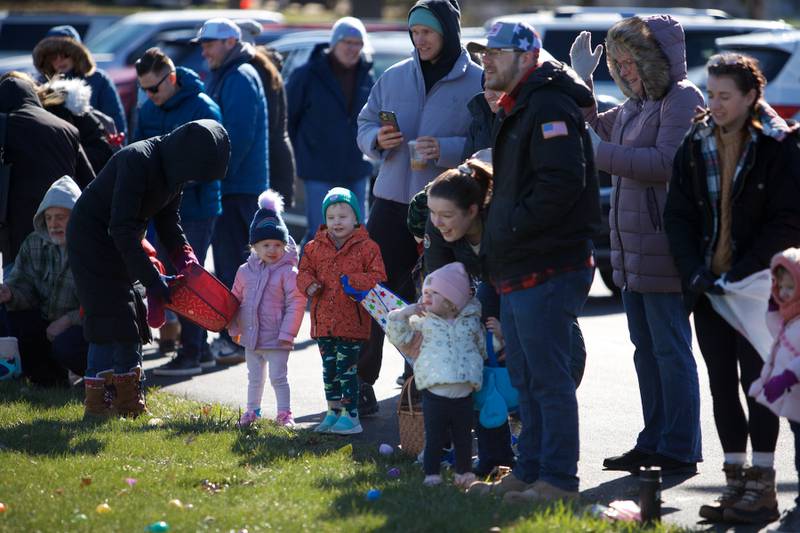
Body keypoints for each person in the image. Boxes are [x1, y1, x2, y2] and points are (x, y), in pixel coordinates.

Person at [465, 20, 600, 503]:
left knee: (547, 378)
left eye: (495, 53)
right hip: (522, 265)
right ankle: (530, 471)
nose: (486, 61)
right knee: (524, 376)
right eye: (483, 53)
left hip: (549, 263)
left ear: (525, 57)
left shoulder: (547, 104)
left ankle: (559, 481)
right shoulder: (524, 104)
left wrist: (511, 228)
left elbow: (561, 185)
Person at [664, 52, 800, 524]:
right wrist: (693, 271)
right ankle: (735, 482)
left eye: (726, 96)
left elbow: (788, 219)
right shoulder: (696, 138)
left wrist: (743, 268)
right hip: (708, 289)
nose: (715, 105)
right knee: (720, 385)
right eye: (712, 94)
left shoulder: (777, 145)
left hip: (758, 286)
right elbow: (676, 214)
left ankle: (763, 488)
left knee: (757, 386)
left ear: (750, 96)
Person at [569, 15, 704, 475]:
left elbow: (666, 162)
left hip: (665, 246)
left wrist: (595, 151)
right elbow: (599, 128)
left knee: (669, 348)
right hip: (633, 249)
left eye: (632, 62)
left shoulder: (682, 98)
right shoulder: (637, 103)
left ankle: (680, 446)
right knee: (646, 349)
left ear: (656, 59)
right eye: (618, 63)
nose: (624, 72)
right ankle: (654, 439)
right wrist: (583, 81)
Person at [356, 0, 481, 415]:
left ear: (447, 32)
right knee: (375, 291)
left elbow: (487, 144)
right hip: (391, 202)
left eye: (427, 31)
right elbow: (364, 123)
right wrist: (376, 140)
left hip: (446, 212)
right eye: (414, 32)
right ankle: (361, 381)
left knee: (437, 298)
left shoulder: (477, 81)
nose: (419, 39)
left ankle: (425, 380)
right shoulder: (393, 76)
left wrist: (446, 151)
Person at [66, 120, 230, 419]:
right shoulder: (137, 161)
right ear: (185, 157)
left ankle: (127, 401)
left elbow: (168, 221)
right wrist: (152, 279)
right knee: (107, 319)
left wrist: (185, 257)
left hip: (121, 239)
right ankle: (101, 404)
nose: (192, 180)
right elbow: (122, 227)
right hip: (92, 239)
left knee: (131, 319)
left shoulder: (174, 172)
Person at [133, 47, 224, 376]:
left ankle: (194, 353)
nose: (149, 95)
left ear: (171, 78)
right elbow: (138, 152)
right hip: (161, 208)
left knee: (190, 279)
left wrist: (171, 182)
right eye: (143, 89)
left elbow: (213, 163)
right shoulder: (148, 109)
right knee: (169, 277)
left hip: (197, 208)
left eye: (154, 88)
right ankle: (195, 350)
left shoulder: (202, 107)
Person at [195, 18, 269, 365]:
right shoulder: (227, 72)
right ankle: (238, 338)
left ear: (229, 41)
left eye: (209, 43)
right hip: (235, 184)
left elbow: (237, 137)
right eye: (203, 43)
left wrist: (216, 176)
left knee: (235, 269)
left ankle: (237, 342)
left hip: (238, 187)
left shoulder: (239, 76)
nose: (204, 49)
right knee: (232, 266)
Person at [386, 261, 484, 488]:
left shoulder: (470, 321)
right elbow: (400, 338)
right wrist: (401, 315)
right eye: (425, 292)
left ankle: (464, 472)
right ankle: (432, 473)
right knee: (434, 437)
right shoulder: (424, 321)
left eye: (433, 293)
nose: (426, 297)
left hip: (463, 391)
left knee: (463, 437)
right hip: (434, 392)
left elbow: (482, 346)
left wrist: (498, 339)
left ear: (451, 300)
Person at [297, 187, 386, 435]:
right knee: (330, 370)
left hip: (352, 322)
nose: (337, 222)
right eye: (332, 217)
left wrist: (354, 280)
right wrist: (308, 285)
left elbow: (378, 276)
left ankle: (352, 416)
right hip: (323, 321)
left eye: (343, 216)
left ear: (356, 217)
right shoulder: (314, 247)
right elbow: (303, 273)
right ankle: (333, 411)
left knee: (347, 369)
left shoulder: (368, 247)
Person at [287, 16, 375, 247]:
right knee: (322, 234)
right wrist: (301, 155)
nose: (352, 48)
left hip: (356, 167)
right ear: (334, 43)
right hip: (318, 170)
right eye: (347, 42)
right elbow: (288, 120)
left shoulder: (367, 75)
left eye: (358, 43)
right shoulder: (307, 74)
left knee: (356, 236)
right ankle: (308, 281)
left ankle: (351, 283)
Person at [0, 176, 87, 386]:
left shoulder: (92, 247)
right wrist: (10, 293)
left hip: (82, 328)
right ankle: (46, 378)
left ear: (76, 217)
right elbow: (24, 286)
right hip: (46, 322)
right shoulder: (33, 243)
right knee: (11, 316)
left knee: (68, 345)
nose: (53, 224)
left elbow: (104, 304)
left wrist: (68, 320)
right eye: (48, 218)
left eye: (60, 217)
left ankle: (94, 376)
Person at [229, 190, 306, 428]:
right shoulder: (244, 271)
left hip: (277, 337)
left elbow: (296, 303)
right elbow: (234, 301)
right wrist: (233, 327)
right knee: (254, 378)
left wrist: (287, 334)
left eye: (278, 244)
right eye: (266, 245)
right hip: (252, 337)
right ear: (255, 246)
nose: (272, 250)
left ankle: (284, 413)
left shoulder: (288, 273)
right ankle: (253, 411)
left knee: (278, 378)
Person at [0, 76, 95, 265]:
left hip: (16, 233)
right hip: (62, 228)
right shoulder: (67, 129)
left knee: (19, 284)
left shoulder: (4, 125)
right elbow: (90, 182)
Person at [747, 249, 800, 531]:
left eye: (792, 287)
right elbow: (774, 327)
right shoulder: (789, 316)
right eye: (781, 288)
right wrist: (771, 305)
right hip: (795, 407)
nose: (786, 294)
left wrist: (787, 376)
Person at [236, 19, 296, 206]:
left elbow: (258, 126)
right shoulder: (264, 67)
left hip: (267, 166)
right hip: (275, 161)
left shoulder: (253, 72)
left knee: (263, 231)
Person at [32, 25, 127, 139]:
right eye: (53, 56)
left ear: (76, 54)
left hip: (94, 147)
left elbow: (115, 123)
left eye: (65, 54)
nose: (59, 60)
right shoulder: (41, 84)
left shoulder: (99, 79)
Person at [37, 76, 118, 174]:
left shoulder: (80, 115)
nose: (59, 60)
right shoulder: (43, 113)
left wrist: (72, 155)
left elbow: (102, 152)